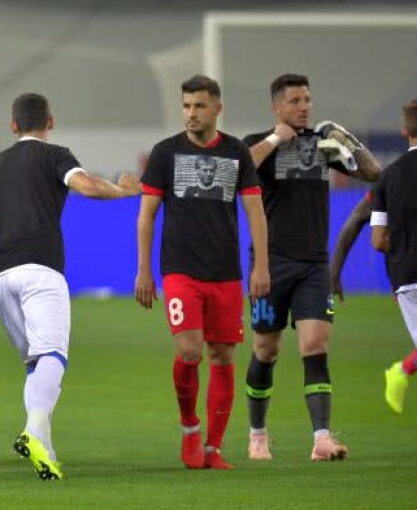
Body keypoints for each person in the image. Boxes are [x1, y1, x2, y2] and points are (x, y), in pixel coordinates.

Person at [0, 93, 140, 480]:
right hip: (39, 268)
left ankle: (47, 450)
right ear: (49, 122)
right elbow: (87, 187)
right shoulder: (55, 155)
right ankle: (33, 432)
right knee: (53, 356)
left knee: (36, 363)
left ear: (13, 126)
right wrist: (126, 190)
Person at [242, 74, 381, 462]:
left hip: (313, 265)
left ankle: (321, 438)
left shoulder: (324, 144)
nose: (304, 106)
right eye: (296, 101)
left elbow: (373, 174)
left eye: (308, 99)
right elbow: (240, 171)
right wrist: (274, 140)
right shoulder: (258, 142)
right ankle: (257, 434)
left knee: (315, 345)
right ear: (277, 107)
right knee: (266, 349)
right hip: (270, 264)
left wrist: (347, 140)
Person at [135, 75, 270, 471]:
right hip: (180, 269)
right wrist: (144, 270)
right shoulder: (165, 153)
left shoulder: (237, 153)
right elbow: (147, 214)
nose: (190, 114)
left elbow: (255, 211)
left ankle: (213, 447)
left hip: (225, 272)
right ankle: (190, 427)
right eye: (186, 106)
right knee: (190, 350)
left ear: (217, 109)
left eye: (198, 106)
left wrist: (261, 265)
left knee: (223, 355)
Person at [373, 100, 417, 416]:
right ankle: (402, 370)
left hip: (406, 277)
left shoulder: (388, 177)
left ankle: (402, 370)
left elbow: (378, 240)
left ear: (404, 131)